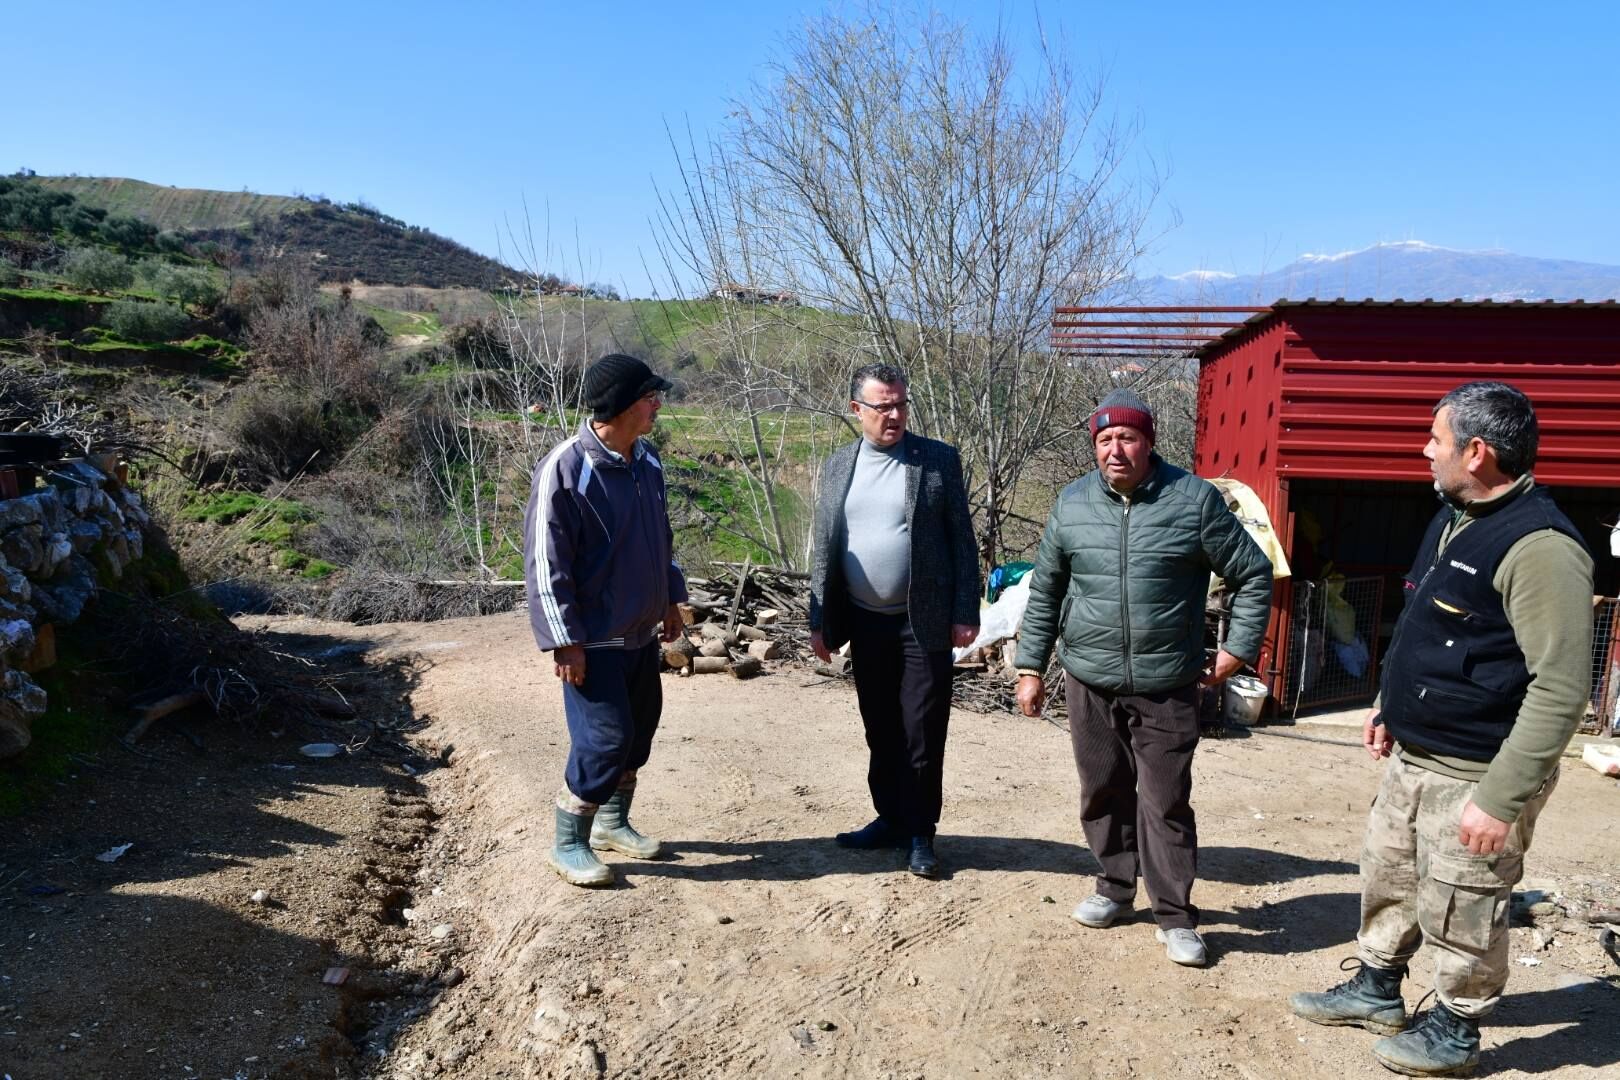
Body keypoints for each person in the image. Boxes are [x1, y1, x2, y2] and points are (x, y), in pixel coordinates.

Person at [1289, 382, 1593, 1077]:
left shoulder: (1541, 549)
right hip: (1416, 755)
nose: (1425, 450)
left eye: (1436, 439)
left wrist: (1500, 796)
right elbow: (1425, 620)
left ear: (1477, 453)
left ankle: (1456, 1029)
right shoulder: (1452, 515)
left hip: (1476, 772)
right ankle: (1376, 989)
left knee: (1464, 899)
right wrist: (1389, 706)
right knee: (1391, 873)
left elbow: (1562, 687)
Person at [1013, 388, 1273, 967]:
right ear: (1094, 447)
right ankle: (1113, 886)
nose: (1116, 450)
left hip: (1167, 681)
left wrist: (1235, 650)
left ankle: (1175, 916)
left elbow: (1253, 573)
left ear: (1149, 442)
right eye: (1104, 440)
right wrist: (1031, 666)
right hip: (1089, 676)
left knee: (1165, 800)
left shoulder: (1194, 501)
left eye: (1127, 438)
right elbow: (1046, 589)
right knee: (1101, 787)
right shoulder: (1072, 503)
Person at [523, 353, 688, 888]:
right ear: (619, 406)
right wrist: (562, 641)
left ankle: (613, 823)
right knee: (604, 738)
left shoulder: (648, 461)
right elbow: (546, 564)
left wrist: (670, 599)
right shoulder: (566, 468)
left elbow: (662, 540)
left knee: (638, 732)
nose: (657, 404)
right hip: (592, 638)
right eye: (649, 397)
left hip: (639, 631)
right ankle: (569, 841)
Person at [809, 363, 980, 878]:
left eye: (901, 403)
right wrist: (819, 619)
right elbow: (825, 546)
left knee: (922, 730)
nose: (895, 414)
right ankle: (889, 817)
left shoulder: (937, 460)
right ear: (856, 410)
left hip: (920, 621)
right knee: (879, 727)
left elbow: (962, 544)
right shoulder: (840, 465)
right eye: (882, 405)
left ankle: (921, 833)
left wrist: (965, 612)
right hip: (865, 622)